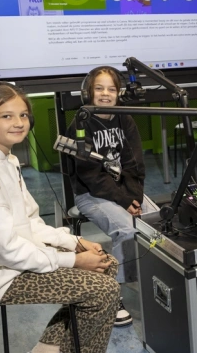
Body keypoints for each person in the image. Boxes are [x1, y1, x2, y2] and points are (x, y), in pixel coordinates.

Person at [0, 81, 120, 353]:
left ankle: (48, 348)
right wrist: (73, 261)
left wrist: (75, 243)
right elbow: (1, 249)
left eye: (23, 115)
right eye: (6, 116)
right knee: (102, 291)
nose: (19, 123)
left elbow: (30, 222)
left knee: (107, 263)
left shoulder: (4, 160)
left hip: (14, 258)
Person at [65, 66, 155, 327]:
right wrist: (124, 202)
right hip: (91, 194)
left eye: (111, 89)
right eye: (99, 88)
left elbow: (134, 164)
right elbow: (91, 176)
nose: (105, 94)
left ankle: (149, 278)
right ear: (88, 92)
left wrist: (134, 197)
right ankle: (112, 295)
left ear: (119, 93)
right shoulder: (80, 124)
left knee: (157, 222)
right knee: (127, 230)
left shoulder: (124, 118)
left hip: (124, 191)